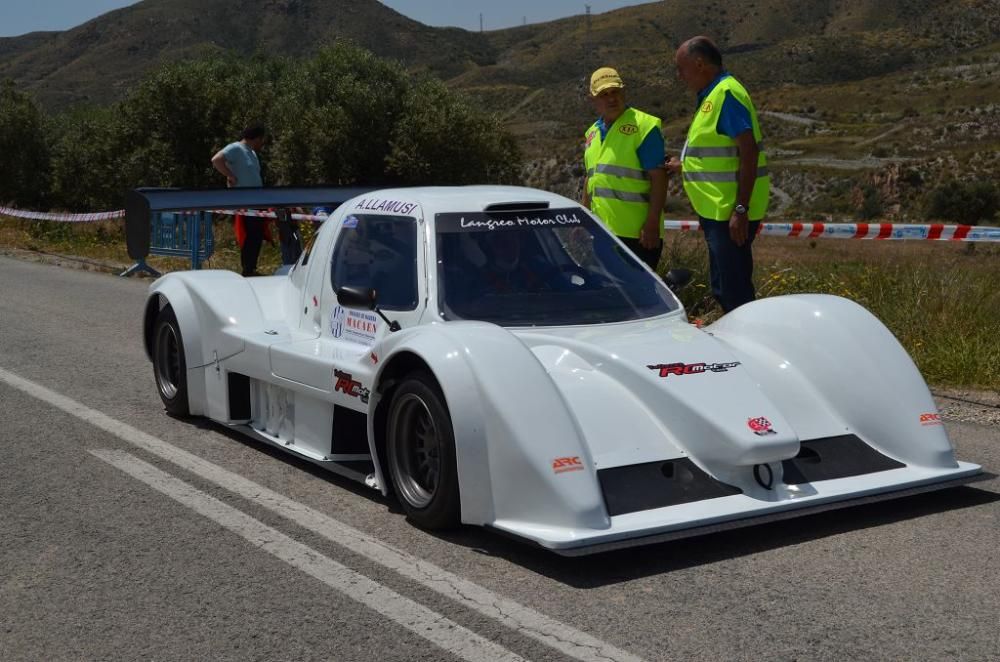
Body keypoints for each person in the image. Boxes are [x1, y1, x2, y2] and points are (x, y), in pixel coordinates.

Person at [666, 37, 770, 313]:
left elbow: (748, 152)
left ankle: (746, 347)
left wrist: (740, 208)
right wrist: (683, 166)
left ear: (699, 64)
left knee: (735, 292)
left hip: (729, 213)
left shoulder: (726, 94)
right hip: (718, 211)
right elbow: (717, 155)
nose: (680, 76)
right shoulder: (712, 95)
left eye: (682, 68)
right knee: (723, 286)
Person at [582, 67, 668, 271]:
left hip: (638, 236)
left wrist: (652, 223)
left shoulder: (644, 127)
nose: (611, 99)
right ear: (593, 99)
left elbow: (659, 177)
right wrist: (583, 217)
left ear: (624, 92)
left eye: (615, 92)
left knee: (641, 299)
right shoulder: (592, 133)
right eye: (604, 94)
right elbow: (590, 178)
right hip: (603, 233)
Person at [211, 124, 267, 276]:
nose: (262, 142)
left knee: (257, 234)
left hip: (257, 200)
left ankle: (251, 267)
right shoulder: (236, 148)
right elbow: (216, 160)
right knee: (251, 233)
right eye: (262, 139)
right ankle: (247, 269)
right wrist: (230, 175)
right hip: (245, 200)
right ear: (256, 138)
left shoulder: (252, 153)